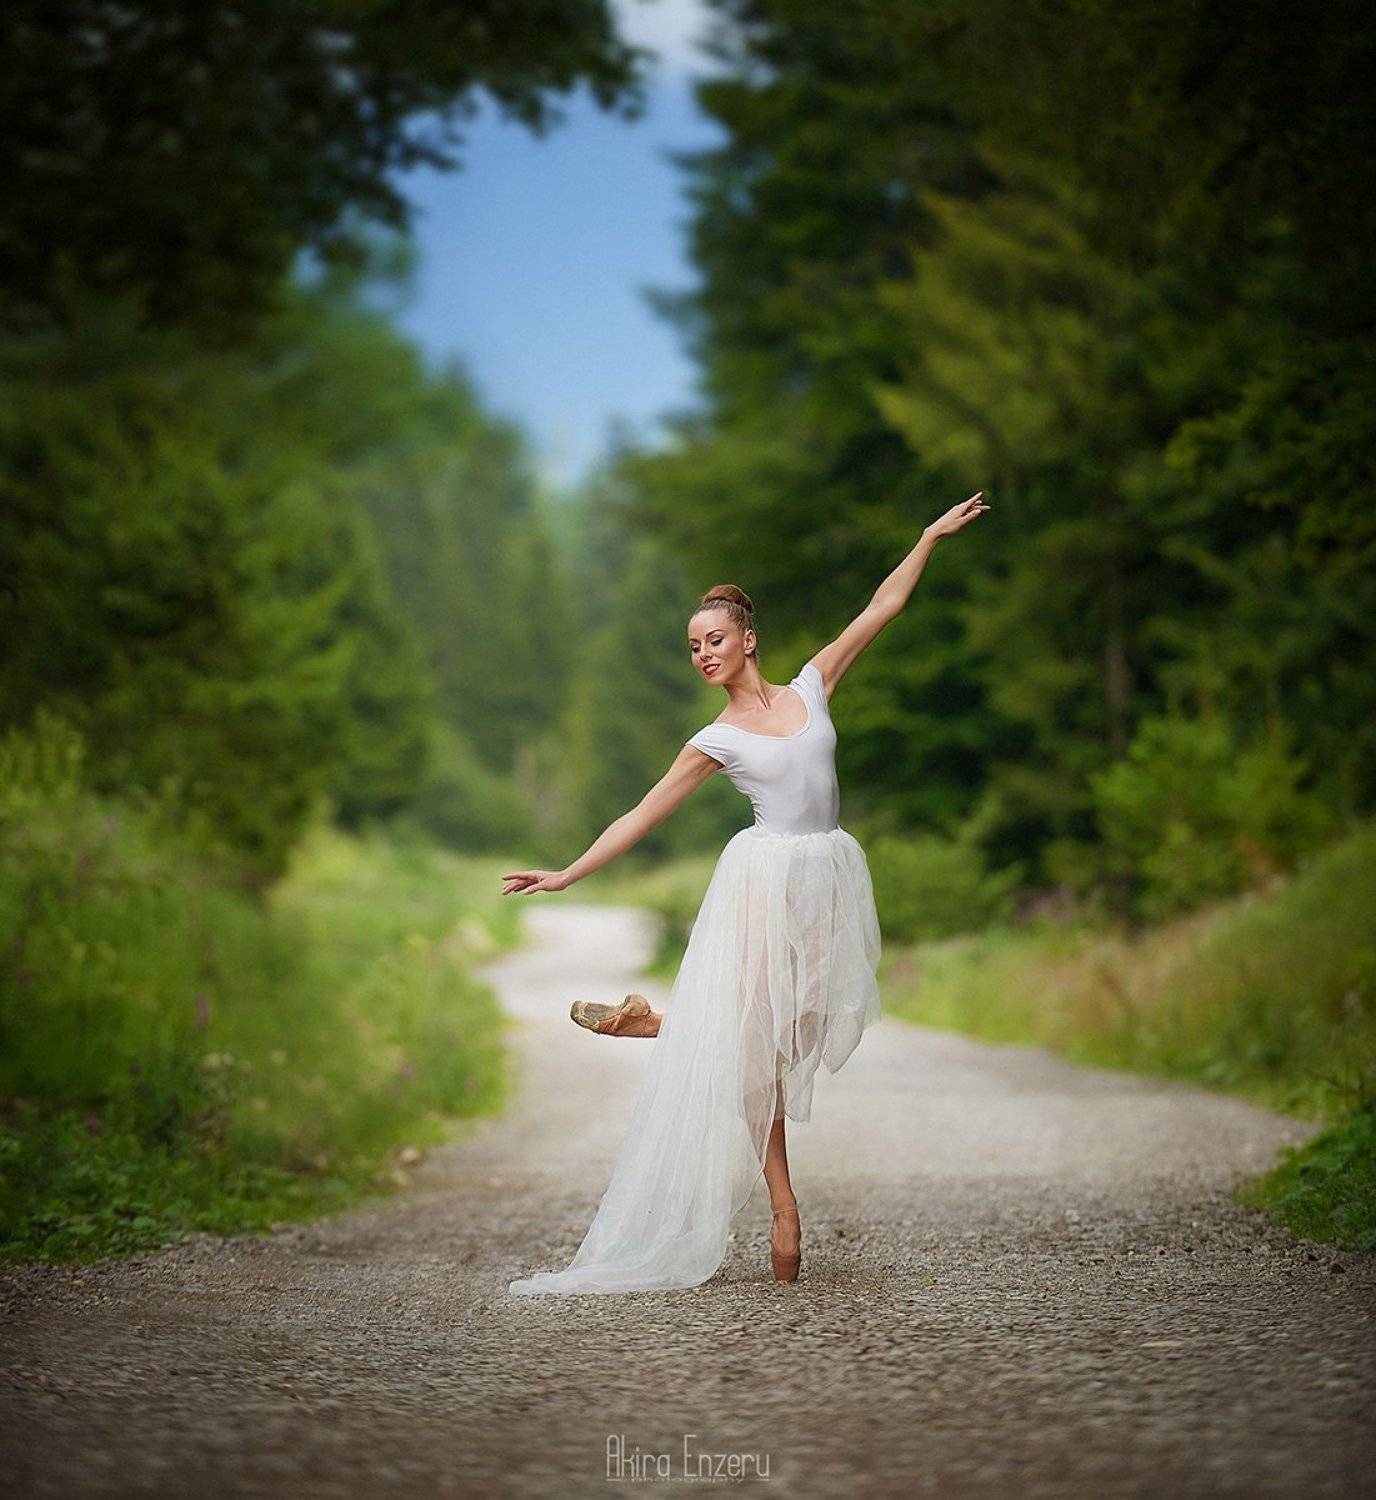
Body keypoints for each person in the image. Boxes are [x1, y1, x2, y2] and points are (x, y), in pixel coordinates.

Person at [501, 493, 990, 1294]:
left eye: (715, 639)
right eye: (693, 646)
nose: (703, 654)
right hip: (764, 882)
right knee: (757, 1051)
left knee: (797, 1029)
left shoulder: (812, 686)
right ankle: (784, 1205)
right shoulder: (714, 740)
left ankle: (662, 1024)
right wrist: (568, 872)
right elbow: (642, 812)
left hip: (828, 878)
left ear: (747, 640)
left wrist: (930, 535)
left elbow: (884, 607)